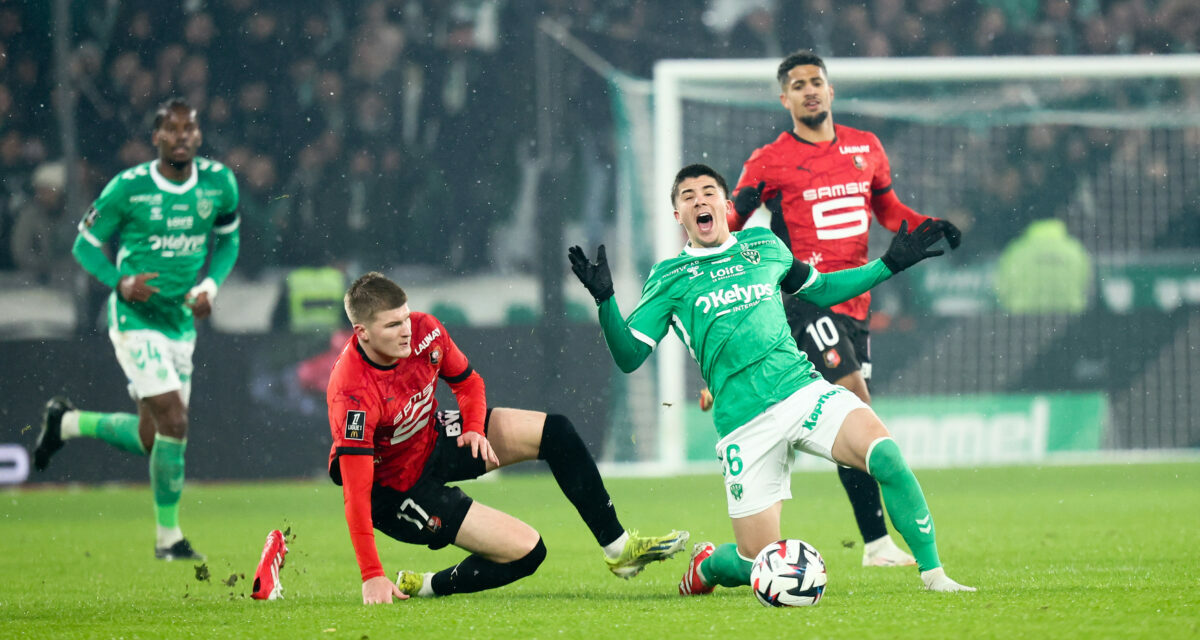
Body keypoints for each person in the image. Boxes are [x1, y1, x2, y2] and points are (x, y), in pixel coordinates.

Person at [569, 164, 974, 594]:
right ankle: (706, 566)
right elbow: (630, 356)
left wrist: (888, 264)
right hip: (745, 425)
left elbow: (821, 289)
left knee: (886, 457)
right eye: (687, 196)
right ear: (678, 215)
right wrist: (605, 301)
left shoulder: (763, 245)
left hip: (803, 391)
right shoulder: (669, 277)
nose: (699, 200)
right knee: (756, 564)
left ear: (726, 206)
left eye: (708, 192)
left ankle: (935, 576)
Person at [723, 50, 963, 568]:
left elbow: (887, 209)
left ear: (830, 91)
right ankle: (894, 535)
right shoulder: (768, 161)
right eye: (798, 84)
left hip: (856, 306)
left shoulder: (866, 148)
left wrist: (926, 223)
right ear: (784, 98)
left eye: (817, 81)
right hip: (805, 299)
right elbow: (727, 226)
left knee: (851, 419)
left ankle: (875, 544)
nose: (810, 90)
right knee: (860, 404)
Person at [328, 272, 688, 605]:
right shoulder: (352, 394)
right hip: (396, 491)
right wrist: (372, 575)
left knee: (557, 432)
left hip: (431, 438)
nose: (406, 330)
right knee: (528, 552)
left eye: (405, 317)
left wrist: (472, 426)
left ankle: (619, 549)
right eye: (392, 325)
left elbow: (468, 383)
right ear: (362, 333)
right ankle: (429, 585)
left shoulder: (425, 331)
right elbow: (356, 493)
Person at [32, 98, 240, 561]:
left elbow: (228, 240)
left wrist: (210, 285)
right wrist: (119, 282)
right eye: (172, 129)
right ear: (157, 137)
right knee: (176, 422)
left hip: (181, 322)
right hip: (134, 322)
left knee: (153, 438)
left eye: (190, 128)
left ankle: (66, 422)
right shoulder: (128, 189)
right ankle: (169, 539)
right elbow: (84, 246)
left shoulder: (219, 183)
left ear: (199, 136)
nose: (182, 136)